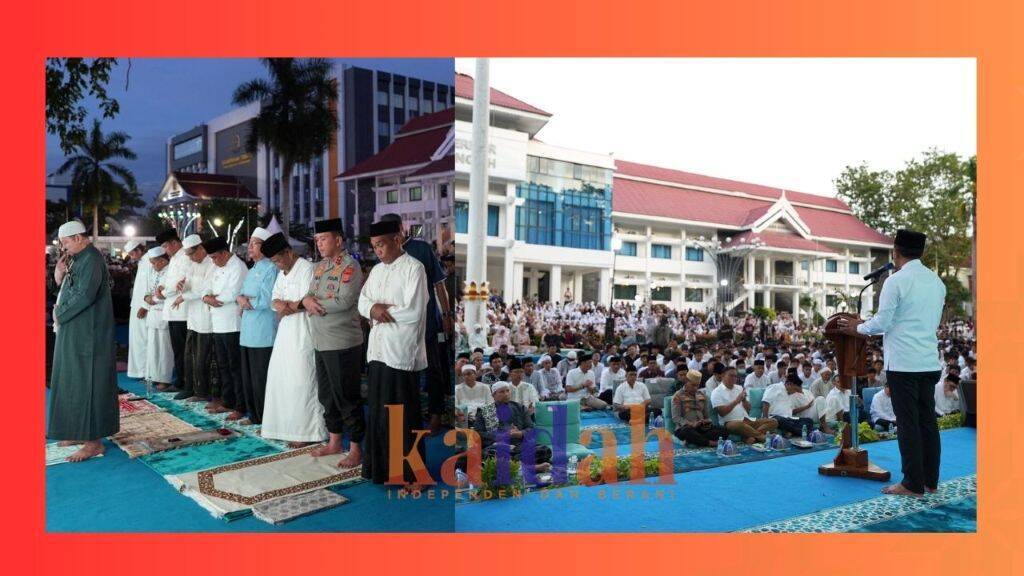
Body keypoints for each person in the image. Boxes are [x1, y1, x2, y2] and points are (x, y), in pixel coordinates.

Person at [839, 229, 946, 497]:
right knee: (927, 423)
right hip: (928, 362)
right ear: (921, 252)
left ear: (895, 252)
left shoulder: (895, 281)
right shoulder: (936, 282)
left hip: (904, 364)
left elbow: (882, 323)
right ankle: (930, 482)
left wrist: (856, 328)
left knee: (908, 424)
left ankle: (912, 484)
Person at [358, 219, 429, 491]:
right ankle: (382, 470)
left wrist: (379, 311)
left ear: (397, 240)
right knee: (379, 413)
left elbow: (413, 311)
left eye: (381, 245)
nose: (377, 251)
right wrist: (374, 309)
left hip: (400, 351)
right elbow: (362, 301)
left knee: (403, 415)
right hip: (377, 350)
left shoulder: (414, 268)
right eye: (374, 246)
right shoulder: (376, 270)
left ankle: (414, 475)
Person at [47, 221, 119, 462]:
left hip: (89, 333)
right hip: (75, 328)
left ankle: (93, 442)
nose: (64, 248)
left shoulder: (92, 259)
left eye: (66, 242)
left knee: (88, 384)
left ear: (78, 238)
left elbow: (85, 295)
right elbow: (70, 289)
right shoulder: (78, 259)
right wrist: (58, 276)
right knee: (72, 380)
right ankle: (77, 431)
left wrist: (59, 313)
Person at [379, 213, 453, 434]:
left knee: (433, 368)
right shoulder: (383, 252)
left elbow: (439, 284)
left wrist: (447, 315)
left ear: (402, 229)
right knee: (403, 369)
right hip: (398, 323)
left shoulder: (421, 249)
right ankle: (407, 415)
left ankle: (436, 414)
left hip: (426, 320)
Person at [302, 218, 365, 467]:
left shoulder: (350, 266)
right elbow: (309, 294)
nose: (319, 244)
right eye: (317, 240)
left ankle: (356, 448)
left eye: (324, 239)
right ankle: (335, 441)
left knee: (347, 397)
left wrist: (312, 303)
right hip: (320, 340)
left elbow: (345, 301)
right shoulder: (319, 267)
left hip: (342, 342)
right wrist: (307, 301)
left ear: (338, 240)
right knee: (327, 395)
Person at [260, 233, 326, 447]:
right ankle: (285, 427)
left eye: (278, 260)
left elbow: (307, 302)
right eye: (273, 262)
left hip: (304, 330)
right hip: (286, 332)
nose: (277, 265)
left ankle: (308, 432)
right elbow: (275, 300)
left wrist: (288, 305)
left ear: (288, 253)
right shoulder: (282, 273)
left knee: (303, 380)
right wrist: (287, 305)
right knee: (282, 379)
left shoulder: (307, 269)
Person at [203, 237, 248, 421]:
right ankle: (227, 401)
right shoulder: (216, 266)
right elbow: (205, 287)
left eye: (215, 257)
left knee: (235, 367)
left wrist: (213, 298)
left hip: (232, 324)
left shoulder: (238, 267)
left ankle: (240, 405)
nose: (213, 261)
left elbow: (232, 294)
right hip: (218, 323)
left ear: (224, 253)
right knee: (223, 365)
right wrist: (207, 297)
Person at [236, 227, 277, 424]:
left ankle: (264, 418)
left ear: (265, 246)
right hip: (247, 331)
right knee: (248, 377)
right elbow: (241, 294)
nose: (250, 247)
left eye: (254, 243)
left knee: (261, 378)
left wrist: (245, 301)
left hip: (263, 332)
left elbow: (267, 299)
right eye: (249, 243)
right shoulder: (252, 269)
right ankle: (253, 415)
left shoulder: (271, 269)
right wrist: (242, 299)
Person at [169, 236, 214, 403]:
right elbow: (188, 284)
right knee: (189, 355)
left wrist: (184, 297)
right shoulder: (192, 264)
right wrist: (182, 286)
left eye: (191, 254)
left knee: (203, 357)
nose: (190, 258)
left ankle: (203, 392)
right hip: (193, 316)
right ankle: (189, 388)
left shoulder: (211, 264)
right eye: (187, 254)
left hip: (206, 317)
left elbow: (203, 290)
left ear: (201, 248)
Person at [473, 382, 551, 470]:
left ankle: (516, 466)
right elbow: (478, 433)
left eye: (507, 391)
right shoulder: (484, 411)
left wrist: (520, 433)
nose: (506, 394)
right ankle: (527, 467)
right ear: (493, 395)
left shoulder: (520, 408)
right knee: (489, 453)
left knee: (544, 450)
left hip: (519, 446)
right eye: (502, 392)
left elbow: (531, 429)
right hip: (498, 446)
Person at [155, 228, 193, 392]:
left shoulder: (185, 257)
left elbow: (180, 283)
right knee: (177, 349)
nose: (165, 250)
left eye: (165, 246)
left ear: (174, 243)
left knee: (183, 350)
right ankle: (180, 381)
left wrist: (163, 293)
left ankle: (185, 383)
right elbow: (169, 281)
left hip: (181, 312)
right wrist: (162, 288)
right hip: (173, 311)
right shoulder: (175, 258)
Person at [709, 366, 777, 444]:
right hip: (730, 422)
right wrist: (737, 401)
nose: (734, 378)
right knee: (738, 425)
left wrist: (744, 400)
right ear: (723, 375)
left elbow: (748, 409)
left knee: (773, 421)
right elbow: (722, 413)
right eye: (731, 375)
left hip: (747, 420)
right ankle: (762, 437)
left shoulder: (739, 388)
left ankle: (749, 436)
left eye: (735, 376)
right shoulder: (716, 392)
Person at [671, 369, 729, 447]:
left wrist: (706, 421)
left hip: (701, 428)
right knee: (687, 432)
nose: (695, 388)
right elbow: (676, 418)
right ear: (686, 381)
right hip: (685, 427)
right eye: (693, 385)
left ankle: (695, 440)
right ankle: (709, 443)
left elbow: (706, 416)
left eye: (697, 385)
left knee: (724, 430)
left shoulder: (702, 395)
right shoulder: (677, 396)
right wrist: (692, 424)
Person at [143, 248, 174, 389]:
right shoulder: (156, 272)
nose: (152, 266)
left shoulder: (170, 272)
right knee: (153, 348)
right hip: (153, 314)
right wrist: (147, 298)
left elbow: (166, 293)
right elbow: (149, 292)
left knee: (163, 349)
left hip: (163, 314)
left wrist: (153, 299)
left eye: (153, 263)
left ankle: (164, 379)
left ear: (162, 261)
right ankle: (153, 376)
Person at [124, 239, 150, 380]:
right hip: (136, 306)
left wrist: (145, 306)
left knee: (143, 339)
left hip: (143, 307)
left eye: (132, 254)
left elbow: (150, 286)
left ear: (139, 250)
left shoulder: (150, 261)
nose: (131, 257)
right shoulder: (142, 262)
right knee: (137, 339)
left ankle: (145, 372)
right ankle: (140, 371)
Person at [762, 373, 816, 437]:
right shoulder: (775, 387)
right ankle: (806, 432)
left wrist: (806, 406)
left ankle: (792, 432)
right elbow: (766, 402)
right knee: (782, 420)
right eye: (795, 389)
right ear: (789, 384)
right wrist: (766, 420)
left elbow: (793, 411)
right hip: (775, 417)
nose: (795, 392)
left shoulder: (790, 394)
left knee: (809, 421)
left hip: (789, 419)